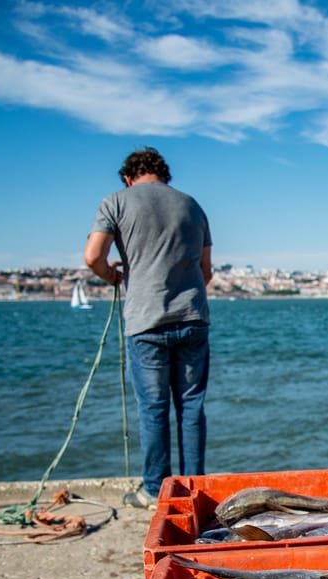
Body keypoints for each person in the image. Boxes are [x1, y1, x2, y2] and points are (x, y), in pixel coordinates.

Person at [84, 147, 213, 509]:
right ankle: (194, 489)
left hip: (146, 321)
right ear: (165, 175)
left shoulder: (116, 202)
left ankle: (155, 490)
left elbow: (93, 256)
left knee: (154, 409)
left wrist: (115, 277)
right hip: (192, 317)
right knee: (191, 408)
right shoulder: (191, 205)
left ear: (128, 176)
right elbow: (206, 271)